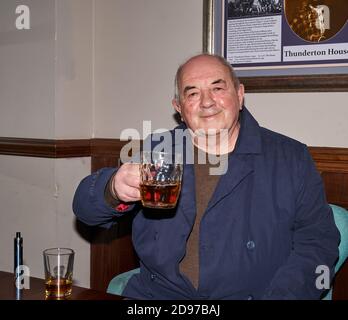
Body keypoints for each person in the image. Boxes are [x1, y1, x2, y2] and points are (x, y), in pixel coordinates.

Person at [73, 54, 340, 300]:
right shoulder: (157, 152)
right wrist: (112, 188)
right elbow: (86, 211)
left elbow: (318, 244)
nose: (207, 101)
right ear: (178, 106)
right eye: (192, 93)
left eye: (218, 87)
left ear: (240, 94)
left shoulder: (289, 158)